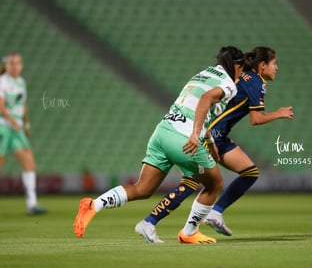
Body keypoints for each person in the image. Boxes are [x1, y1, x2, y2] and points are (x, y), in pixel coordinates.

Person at [73, 46, 244, 244]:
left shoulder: (203, 74)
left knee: (143, 188)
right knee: (214, 184)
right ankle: (188, 233)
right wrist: (196, 134)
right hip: (184, 137)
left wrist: (210, 140)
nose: (241, 75)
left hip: (162, 131)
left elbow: (196, 107)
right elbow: (206, 101)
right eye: (242, 70)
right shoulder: (229, 84)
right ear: (236, 65)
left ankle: (95, 204)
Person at [135, 47, 294, 243]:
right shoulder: (257, 82)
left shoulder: (242, 76)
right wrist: (279, 113)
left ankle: (202, 216)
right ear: (262, 66)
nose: (277, 68)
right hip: (212, 134)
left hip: (214, 132)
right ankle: (166, 223)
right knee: (201, 182)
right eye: (274, 64)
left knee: (235, 175)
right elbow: (256, 118)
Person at [0, 53, 47, 215]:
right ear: (5, 65)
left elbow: (23, 104)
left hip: (17, 128)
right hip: (3, 127)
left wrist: (26, 122)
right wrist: (12, 121)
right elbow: (1, 106)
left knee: (29, 163)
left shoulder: (21, 82)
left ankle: (32, 204)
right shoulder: (2, 81)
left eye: (18, 63)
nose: (15, 66)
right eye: (11, 63)